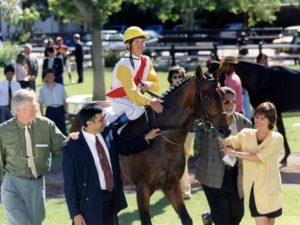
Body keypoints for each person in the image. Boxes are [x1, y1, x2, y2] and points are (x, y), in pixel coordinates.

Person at [63, 103, 160, 225]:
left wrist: (145, 138)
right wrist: (75, 213)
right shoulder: (72, 147)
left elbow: (125, 147)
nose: (105, 121)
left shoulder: (109, 132)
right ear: (89, 124)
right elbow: (69, 184)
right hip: (89, 205)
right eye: (101, 119)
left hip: (111, 199)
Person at [0, 89, 71, 225]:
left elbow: (62, 145)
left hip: (37, 185)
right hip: (12, 184)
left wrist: (73, 139)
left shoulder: (46, 125)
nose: (36, 109)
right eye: (32, 107)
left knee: (36, 222)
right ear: (18, 111)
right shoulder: (3, 131)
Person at [195, 86, 252, 225]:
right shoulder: (207, 122)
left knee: (237, 214)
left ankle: (210, 217)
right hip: (213, 176)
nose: (230, 105)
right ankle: (214, 216)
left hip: (236, 175)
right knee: (223, 219)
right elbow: (192, 124)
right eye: (226, 102)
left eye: (233, 101)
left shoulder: (245, 123)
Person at [224, 102, 283, 225]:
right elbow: (228, 141)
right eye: (257, 116)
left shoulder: (277, 138)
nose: (258, 120)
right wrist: (216, 131)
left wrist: (235, 153)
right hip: (253, 190)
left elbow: (258, 157)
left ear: (270, 120)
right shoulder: (245, 134)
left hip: (271, 189)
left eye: (263, 118)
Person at [106, 26, 163, 127]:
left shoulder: (147, 60)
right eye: (137, 42)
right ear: (128, 45)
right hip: (120, 99)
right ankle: (112, 127)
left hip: (136, 98)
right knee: (138, 109)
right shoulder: (123, 65)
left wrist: (149, 84)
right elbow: (132, 93)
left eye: (143, 42)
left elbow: (157, 85)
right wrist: (150, 102)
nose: (141, 45)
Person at [167, 65, 194, 199]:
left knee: (183, 157)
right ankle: (177, 187)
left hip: (187, 130)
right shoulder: (167, 94)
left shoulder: (189, 94)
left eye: (180, 76)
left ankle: (186, 187)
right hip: (171, 133)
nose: (178, 79)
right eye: (175, 76)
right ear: (171, 79)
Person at [39, 68, 68, 135]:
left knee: (62, 129)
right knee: (51, 131)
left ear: (54, 77)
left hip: (60, 110)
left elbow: (64, 100)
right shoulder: (42, 89)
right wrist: (42, 115)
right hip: (50, 111)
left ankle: (64, 144)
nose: (50, 77)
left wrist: (66, 111)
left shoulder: (60, 87)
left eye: (52, 75)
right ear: (45, 77)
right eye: (48, 76)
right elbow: (41, 103)